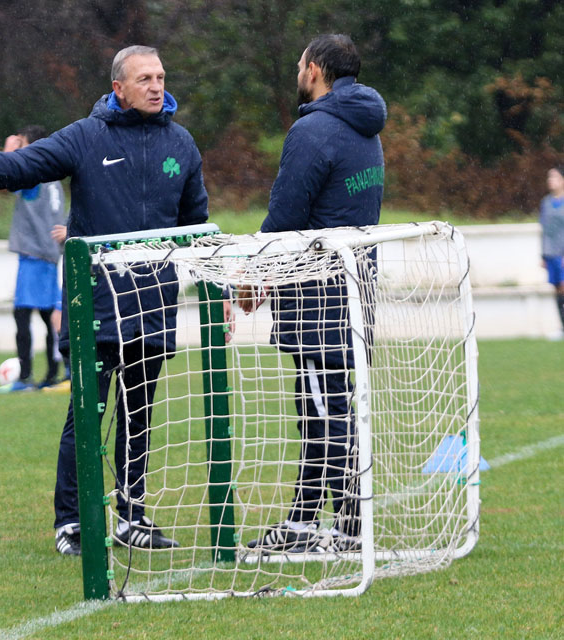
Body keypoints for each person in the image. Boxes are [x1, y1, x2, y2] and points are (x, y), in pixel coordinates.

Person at [0, 45, 209, 555]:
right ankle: (71, 523)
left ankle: (132, 516)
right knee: (86, 416)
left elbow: (196, 227)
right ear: (118, 87)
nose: (156, 86)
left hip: (153, 307)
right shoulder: (85, 136)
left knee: (139, 418)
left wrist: (222, 286)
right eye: (144, 78)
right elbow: (23, 167)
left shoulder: (181, 144)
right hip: (95, 306)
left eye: (161, 76)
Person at [237, 34, 386, 554]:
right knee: (327, 404)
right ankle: (328, 522)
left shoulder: (314, 128)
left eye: (301, 64)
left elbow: (285, 220)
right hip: (356, 287)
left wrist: (254, 275)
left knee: (323, 410)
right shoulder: (367, 127)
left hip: (318, 293)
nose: (298, 71)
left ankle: (331, 525)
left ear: (317, 70)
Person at [0, 125, 67, 393]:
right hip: (50, 254)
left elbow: (3, 179)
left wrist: (7, 152)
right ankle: (52, 374)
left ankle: (25, 378)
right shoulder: (54, 178)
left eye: (22, 144)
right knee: (50, 316)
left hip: (35, 255)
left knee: (23, 315)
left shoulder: (33, 175)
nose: (20, 149)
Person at [539, 166, 564, 339]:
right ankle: (562, 327)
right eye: (549, 177)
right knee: (557, 290)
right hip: (551, 253)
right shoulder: (546, 202)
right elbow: (544, 230)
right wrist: (543, 255)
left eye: (554, 177)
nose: (550, 180)